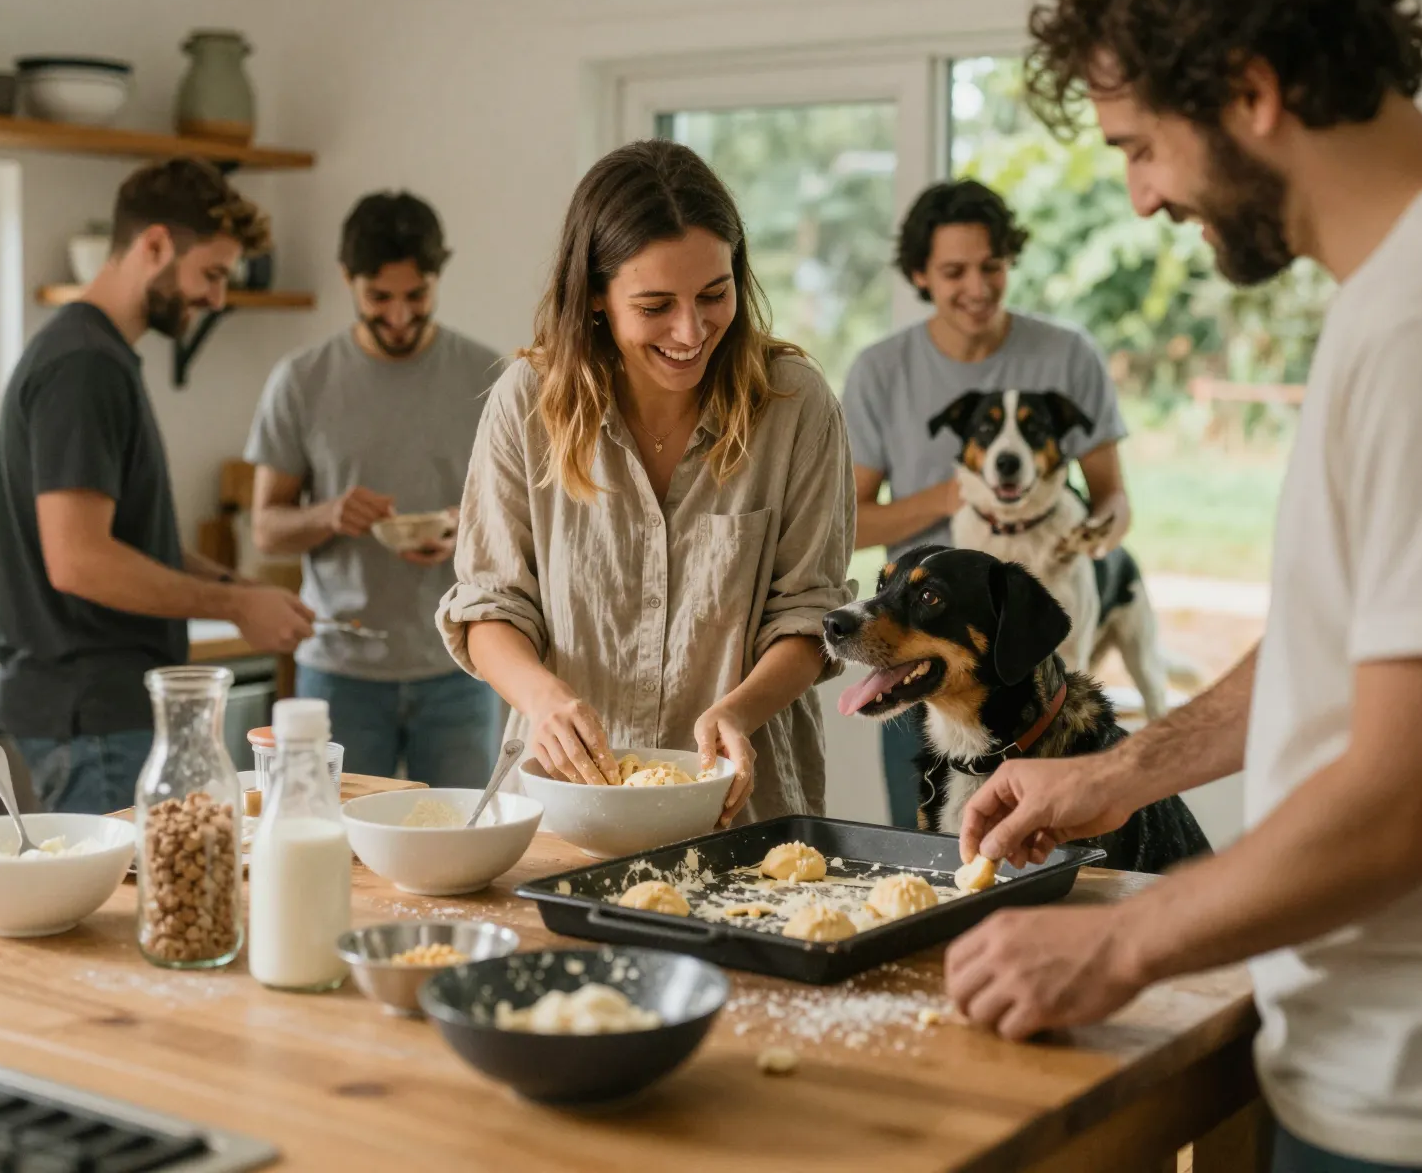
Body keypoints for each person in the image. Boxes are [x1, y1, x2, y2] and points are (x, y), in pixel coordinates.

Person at [947, 0, 1422, 1172]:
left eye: (1141, 147)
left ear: (1251, 90)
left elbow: (1421, 794)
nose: (1141, 198)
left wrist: (1116, 942)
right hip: (1420, 1073)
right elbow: (1366, 647)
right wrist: (1123, 774)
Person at [437, 139, 856, 824]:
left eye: (713, 294)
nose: (690, 330)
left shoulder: (795, 405)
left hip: (740, 813)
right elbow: (488, 607)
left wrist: (737, 712)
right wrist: (543, 698)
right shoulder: (529, 401)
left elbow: (810, 618)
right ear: (596, 297)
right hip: (562, 808)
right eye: (656, 304)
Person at [0, 158, 315, 815]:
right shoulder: (85, 366)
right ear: (156, 245)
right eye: (212, 275)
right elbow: (80, 560)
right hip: (95, 719)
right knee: (122, 915)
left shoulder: (96, 355)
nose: (218, 299)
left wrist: (238, 588)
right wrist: (233, 610)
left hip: (100, 715)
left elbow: (134, 541)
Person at [841, 178, 1130, 826]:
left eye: (992, 267)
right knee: (930, 858)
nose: (977, 287)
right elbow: (853, 522)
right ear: (920, 273)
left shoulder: (1067, 356)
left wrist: (1096, 532)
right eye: (953, 271)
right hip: (926, 660)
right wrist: (957, 495)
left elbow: (1114, 500)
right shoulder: (881, 372)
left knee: (1058, 855)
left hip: (1042, 673)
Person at [246, 191, 505, 786]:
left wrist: (465, 527)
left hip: (460, 665)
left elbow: (527, 519)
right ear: (348, 279)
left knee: (461, 842)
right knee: (335, 848)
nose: (398, 315)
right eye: (378, 297)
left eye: (416, 296)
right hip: (339, 675)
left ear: (438, 278)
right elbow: (266, 529)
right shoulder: (302, 380)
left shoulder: (487, 377)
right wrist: (330, 515)